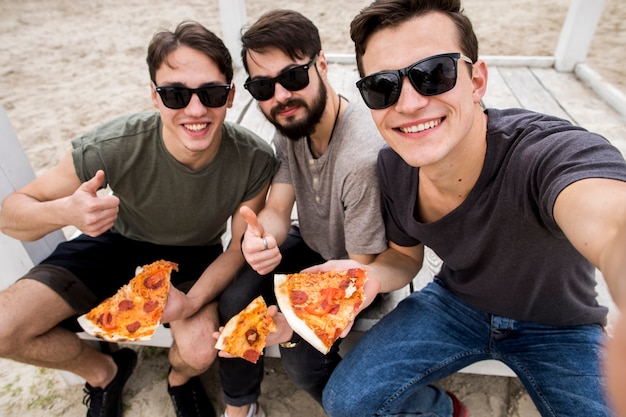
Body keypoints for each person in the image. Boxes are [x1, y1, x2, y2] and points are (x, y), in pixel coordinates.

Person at [301, 0, 626, 416]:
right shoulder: (393, 167)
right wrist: (364, 277)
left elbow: (609, 219)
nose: (410, 103)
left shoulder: (544, 154)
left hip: (560, 325)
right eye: (383, 86)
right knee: (346, 401)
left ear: (476, 81)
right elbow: (402, 257)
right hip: (456, 306)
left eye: (434, 74)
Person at [0, 21, 279, 417]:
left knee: (199, 353)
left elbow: (238, 246)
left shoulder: (254, 158)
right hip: (113, 241)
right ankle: (103, 371)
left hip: (195, 253)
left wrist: (192, 302)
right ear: (154, 96)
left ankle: (178, 378)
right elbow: (10, 215)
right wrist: (65, 211)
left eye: (211, 93)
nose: (195, 110)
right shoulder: (113, 145)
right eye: (175, 94)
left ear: (230, 96)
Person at [214, 9, 387, 417]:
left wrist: (287, 319)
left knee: (299, 356)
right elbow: (277, 207)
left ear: (322, 64)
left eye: (292, 77)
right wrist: (263, 239)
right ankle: (240, 406)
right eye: (262, 86)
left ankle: (356, 404)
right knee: (235, 299)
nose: (279, 96)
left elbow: (355, 272)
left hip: (361, 271)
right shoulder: (293, 121)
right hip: (311, 244)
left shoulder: (361, 157)